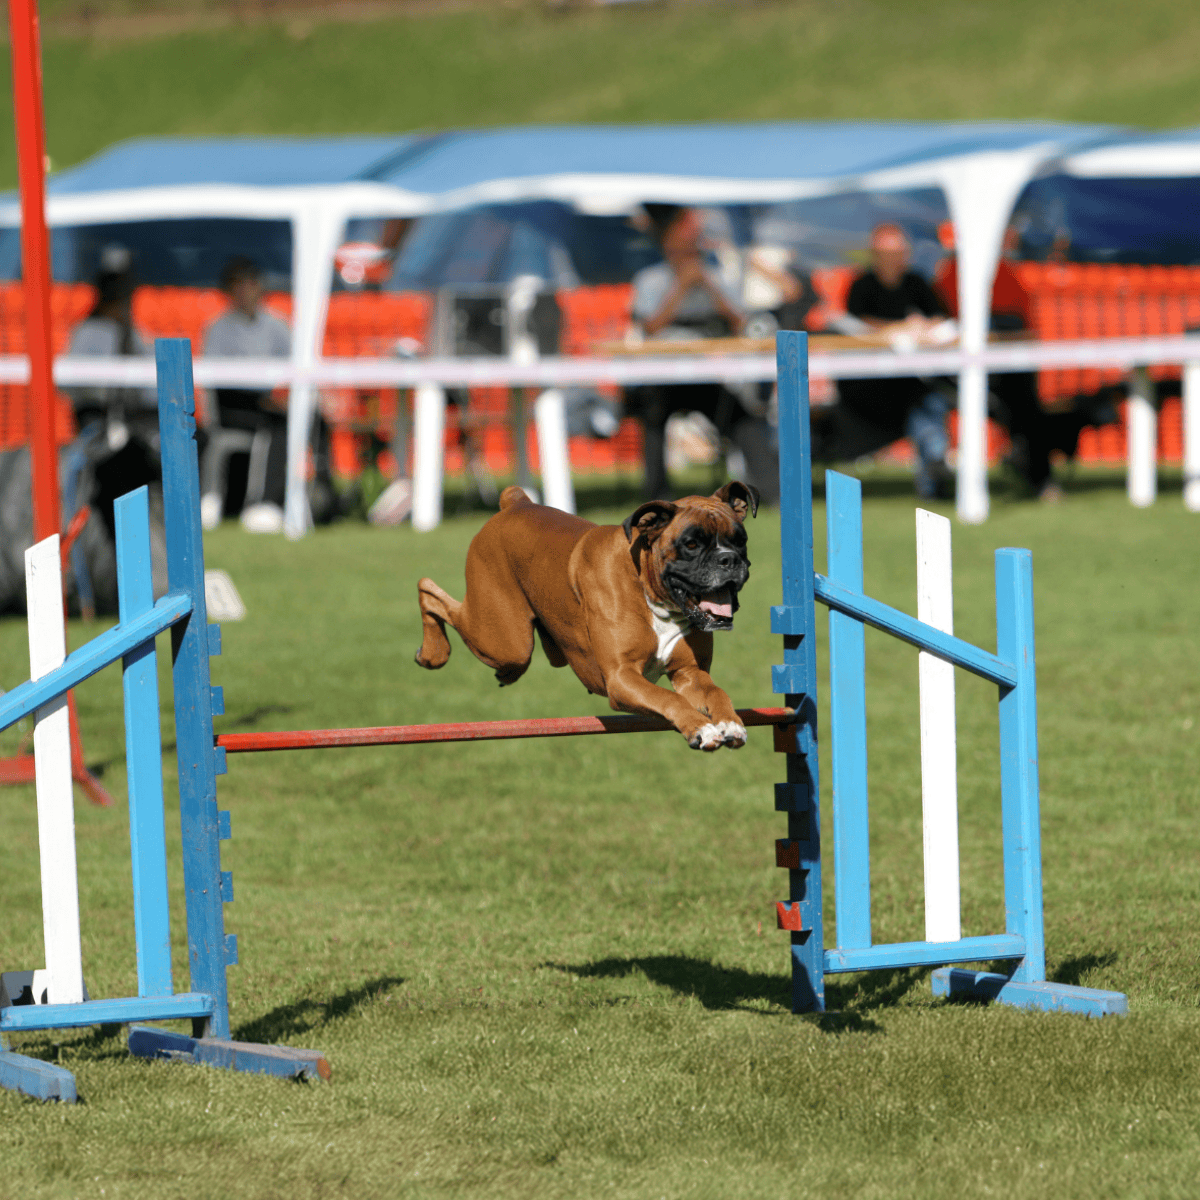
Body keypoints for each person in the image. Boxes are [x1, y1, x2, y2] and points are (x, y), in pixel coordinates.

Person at [934, 223, 1118, 501]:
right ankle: (1033, 476)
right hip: (966, 372)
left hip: (1009, 369)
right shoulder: (951, 274)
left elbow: (1027, 328)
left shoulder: (1004, 273)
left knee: (1027, 411)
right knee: (1024, 412)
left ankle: (1034, 472)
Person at [625, 205, 779, 504]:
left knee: (742, 416)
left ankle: (770, 492)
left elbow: (741, 324)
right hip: (665, 376)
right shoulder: (651, 279)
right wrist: (680, 289)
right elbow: (649, 328)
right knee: (653, 418)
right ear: (667, 245)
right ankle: (655, 495)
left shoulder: (717, 276)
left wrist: (710, 287)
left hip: (708, 376)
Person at [838, 223, 954, 499]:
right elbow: (857, 324)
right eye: (888, 252)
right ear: (875, 254)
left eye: (899, 252)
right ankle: (935, 460)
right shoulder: (862, 285)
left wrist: (921, 327)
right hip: (870, 384)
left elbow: (940, 317)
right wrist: (900, 328)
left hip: (913, 376)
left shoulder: (916, 282)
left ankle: (934, 469)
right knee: (923, 401)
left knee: (927, 399)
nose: (894, 258)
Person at [202, 257, 292, 532]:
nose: (245, 290)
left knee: (297, 420)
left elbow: (293, 367)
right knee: (275, 423)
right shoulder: (219, 328)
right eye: (237, 284)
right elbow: (218, 378)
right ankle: (261, 502)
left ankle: (283, 499)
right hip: (232, 402)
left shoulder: (277, 326)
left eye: (249, 283)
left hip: (264, 401)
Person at [66, 262, 155, 434]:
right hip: (98, 415)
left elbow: (150, 377)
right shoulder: (88, 331)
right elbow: (71, 382)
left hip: (135, 415)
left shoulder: (133, 332)